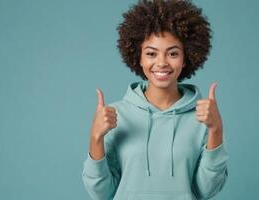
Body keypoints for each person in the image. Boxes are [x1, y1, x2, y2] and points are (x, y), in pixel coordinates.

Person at [82, 0, 229, 199]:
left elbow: (207, 190)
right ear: (138, 57)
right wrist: (95, 138)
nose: (161, 63)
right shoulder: (115, 116)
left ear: (186, 58)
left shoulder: (204, 118)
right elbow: (101, 193)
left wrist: (216, 130)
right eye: (151, 53)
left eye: (173, 53)